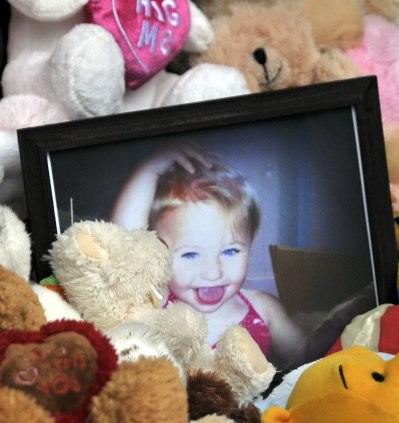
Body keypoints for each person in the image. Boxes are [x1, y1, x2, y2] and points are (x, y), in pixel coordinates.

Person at [111, 143, 306, 367]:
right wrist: (151, 168)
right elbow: (123, 245)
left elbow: (306, 359)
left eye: (230, 250)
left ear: (250, 244)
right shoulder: (158, 304)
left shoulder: (264, 309)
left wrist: (334, 327)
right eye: (190, 254)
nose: (213, 273)